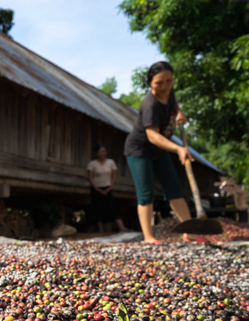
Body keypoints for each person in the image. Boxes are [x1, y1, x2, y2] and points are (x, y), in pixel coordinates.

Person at [124, 61, 204, 244]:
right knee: (146, 193)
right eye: (159, 83)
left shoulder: (169, 93)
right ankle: (149, 237)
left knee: (174, 189)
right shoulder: (150, 104)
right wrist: (178, 149)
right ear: (150, 83)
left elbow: (173, 105)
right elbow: (152, 136)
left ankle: (190, 232)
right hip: (139, 150)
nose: (165, 86)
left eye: (169, 81)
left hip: (159, 151)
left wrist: (179, 113)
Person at [87, 144, 129, 233]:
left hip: (107, 188)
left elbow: (113, 176)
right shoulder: (92, 164)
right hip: (96, 188)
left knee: (113, 207)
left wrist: (110, 187)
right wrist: (97, 189)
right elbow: (91, 177)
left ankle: (122, 227)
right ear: (96, 153)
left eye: (104, 151)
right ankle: (100, 229)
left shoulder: (110, 162)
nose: (103, 153)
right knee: (97, 208)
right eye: (101, 151)